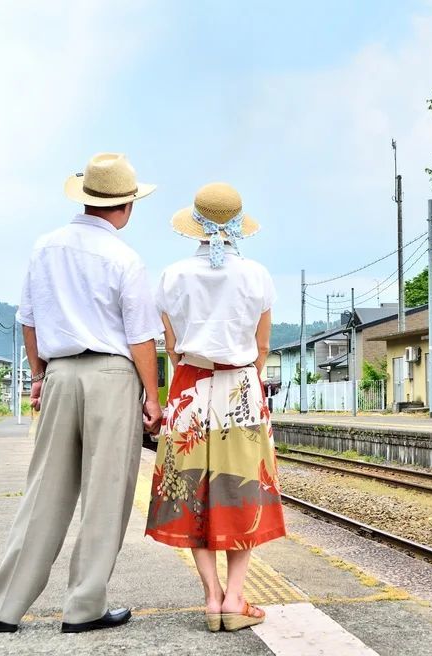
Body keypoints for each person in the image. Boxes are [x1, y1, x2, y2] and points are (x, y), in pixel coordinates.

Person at [0, 153, 163, 634]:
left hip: (59, 374)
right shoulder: (126, 258)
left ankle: (4, 607)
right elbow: (141, 335)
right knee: (105, 494)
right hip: (111, 377)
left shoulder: (45, 247)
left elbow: (29, 319)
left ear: (86, 200)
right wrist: (152, 396)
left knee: (45, 490)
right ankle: (83, 608)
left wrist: (39, 377)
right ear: (125, 207)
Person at [145, 182, 285, 633]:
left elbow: (169, 346)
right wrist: (248, 382)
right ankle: (236, 597)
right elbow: (262, 347)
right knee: (241, 489)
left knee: (191, 491)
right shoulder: (257, 275)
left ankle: (209, 598)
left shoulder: (171, 276)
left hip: (189, 384)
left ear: (195, 227)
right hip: (240, 386)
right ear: (237, 225)